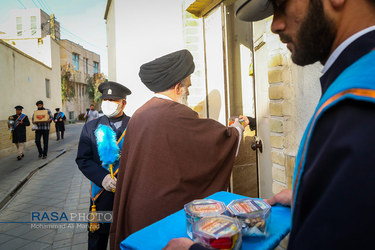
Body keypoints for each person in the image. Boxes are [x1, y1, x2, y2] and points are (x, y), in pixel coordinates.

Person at [165, 0, 375, 249]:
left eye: (281, 4)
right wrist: (311, 197)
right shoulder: (354, 78)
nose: (275, 25)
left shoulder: (357, 105)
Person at [109, 49, 249, 250]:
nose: (189, 92)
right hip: (164, 216)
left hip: (137, 212)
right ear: (177, 87)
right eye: (188, 86)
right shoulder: (178, 115)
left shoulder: (140, 114)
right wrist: (238, 127)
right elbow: (221, 144)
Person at [76, 81, 132, 250]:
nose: (108, 103)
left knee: (126, 238)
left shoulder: (135, 125)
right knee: (98, 239)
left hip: (128, 194)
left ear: (123, 103)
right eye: (105, 99)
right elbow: (83, 159)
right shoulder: (90, 127)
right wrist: (103, 178)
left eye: (113, 100)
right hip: (102, 195)